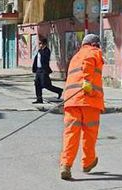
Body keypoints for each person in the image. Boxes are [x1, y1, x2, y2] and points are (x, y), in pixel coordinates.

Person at [60, 34, 104, 180]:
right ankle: (88, 162)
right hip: (88, 100)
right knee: (89, 134)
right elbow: (88, 64)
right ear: (95, 44)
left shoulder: (75, 56)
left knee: (71, 134)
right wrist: (87, 83)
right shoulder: (93, 52)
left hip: (71, 101)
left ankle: (66, 165)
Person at [32, 38, 63, 104]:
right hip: (38, 70)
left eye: (41, 43)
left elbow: (45, 59)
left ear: (44, 44)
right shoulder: (39, 51)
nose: (39, 45)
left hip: (44, 70)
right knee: (37, 84)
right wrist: (34, 69)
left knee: (45, 85)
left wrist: (41, 51)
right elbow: (36, 60)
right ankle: (39, 99)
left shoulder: (47, 51)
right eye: (39, 43)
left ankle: (59, 90)